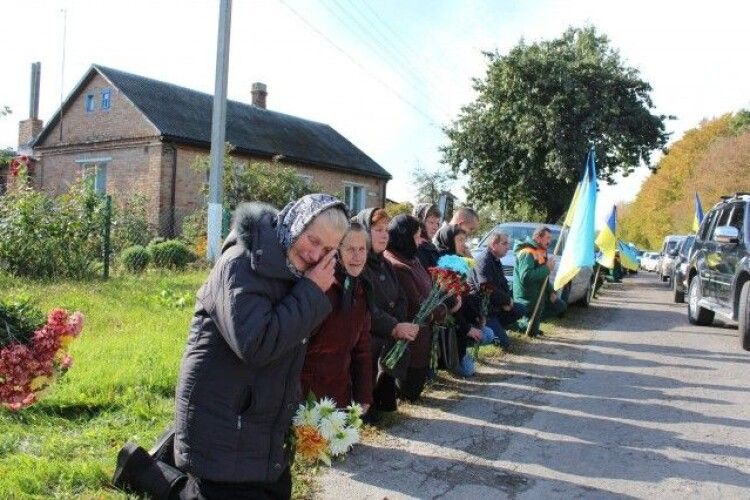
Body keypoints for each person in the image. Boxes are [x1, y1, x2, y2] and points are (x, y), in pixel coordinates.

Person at [112, 194, 349, 500]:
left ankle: (143, 467)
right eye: (313, 240)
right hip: (224, 417)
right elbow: (257, 345)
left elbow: (294, 340)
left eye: (328, 250)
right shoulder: (240, 264)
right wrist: (311, 292)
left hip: (260, 423)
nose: (317, 255)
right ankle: (140, 470)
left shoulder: (295, 272)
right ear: (294, 225)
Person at [353, 208, 419, 421]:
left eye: (386, 230)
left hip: (388, 332)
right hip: (367, 334)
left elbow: (400, 298)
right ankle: (364, 407)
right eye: (377, 229)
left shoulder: (386, 264)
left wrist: (402, 324)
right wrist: (393, 326)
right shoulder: (358, 264)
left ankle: (381, 402)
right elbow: (365, 309)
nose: (384, 235)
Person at [300, 222, 372, 410]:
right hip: (306, 398)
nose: (357, 256)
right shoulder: (323, 286)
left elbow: (361, 349)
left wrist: (363, 395)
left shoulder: (360, 289)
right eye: (350, 249)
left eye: (362, 249)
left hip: (340, 398)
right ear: (337, 251)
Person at [384, 215, 453, 399]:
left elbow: (429, 288)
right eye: (416, 236)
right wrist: (442, 311)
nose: (419, 241)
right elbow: (416, 305)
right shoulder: (398, 264)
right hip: (411, 338)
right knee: (410, 393)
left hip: (423, 335)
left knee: (416, 389)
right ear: (404, 237)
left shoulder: (412, 258)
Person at [469, 230, 527, 348]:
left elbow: (503, 283)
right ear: (494, 245)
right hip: (484, 310)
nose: (508, 247)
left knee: (521, 309)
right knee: (505, 344)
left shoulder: (496, 260)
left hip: (495, 306)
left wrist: (508, 301)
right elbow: (485, 286)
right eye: (504, 243)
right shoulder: (483, 260)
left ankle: (499, 327)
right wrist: (506, 301)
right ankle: (493, 332)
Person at [512, 226, 567, 337]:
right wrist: (547, 268)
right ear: (538, 238)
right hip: (527, 298)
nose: (549, 241)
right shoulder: (527, 253)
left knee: (560, 306)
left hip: (539, 295)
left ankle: (531, 324)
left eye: (550, 238)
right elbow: (526, 276)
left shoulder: (541, 251)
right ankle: (517, 325)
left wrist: (551, 292)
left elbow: (543, 277)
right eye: (547, 238)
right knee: (531, 332)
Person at [412, 203, 442, 269]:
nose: (435, 227)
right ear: (420, 223)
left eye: (437, 223)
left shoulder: (431, 246)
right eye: (431, 222)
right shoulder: (416, 248)